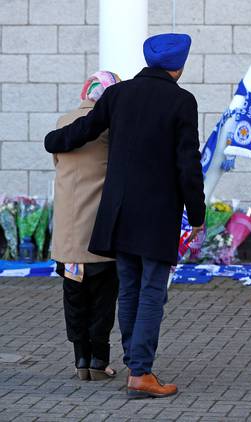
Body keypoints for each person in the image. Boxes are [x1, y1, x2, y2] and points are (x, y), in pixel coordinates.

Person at [44, 33, 206, 399]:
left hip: (116, 212)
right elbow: (187, 163)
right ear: (179, 66)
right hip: (156, 214)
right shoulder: (182, 101)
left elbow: (83, 131)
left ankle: (136, 363)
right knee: (151, 291)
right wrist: (196, 214)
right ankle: (141, 372)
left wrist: (51, 141)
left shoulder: (118, 94)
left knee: (130, 288)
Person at [53, 71, 122, 382]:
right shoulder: (111, 127)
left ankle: (79, 357)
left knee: (74, 294)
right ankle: (99, 359)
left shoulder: (62, 122)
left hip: (68, 232)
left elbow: (59, 164)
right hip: (100, 229)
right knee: (103, 296)